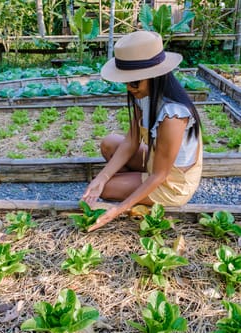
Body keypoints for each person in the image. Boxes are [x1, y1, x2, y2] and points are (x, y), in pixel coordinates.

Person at [82, 30, 202, 231]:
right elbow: (132, 141)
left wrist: (118, 209)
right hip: (156, 162)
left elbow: (160, 175)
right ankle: (133, 183)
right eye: (127, 81)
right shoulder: (143, 96)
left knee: (109, 190)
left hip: (172, 182)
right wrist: (101, 177)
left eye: (134, 81)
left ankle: (136, 188)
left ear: (154, 76)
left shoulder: (174, 114)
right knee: (110, 143)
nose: (130, 87)